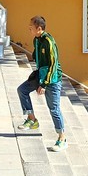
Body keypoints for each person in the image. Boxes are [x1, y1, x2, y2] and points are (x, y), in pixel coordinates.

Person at [16, 15, 67, 152]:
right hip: (40, 75)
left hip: (52, 79)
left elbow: (53, 64)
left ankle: (62, 138)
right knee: (22, 90)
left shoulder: (49, 41)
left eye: (31, 27)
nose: (29, 30)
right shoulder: (36, 40)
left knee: (54, 109)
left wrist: (44, 84)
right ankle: (32, 120)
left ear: (39, 28)